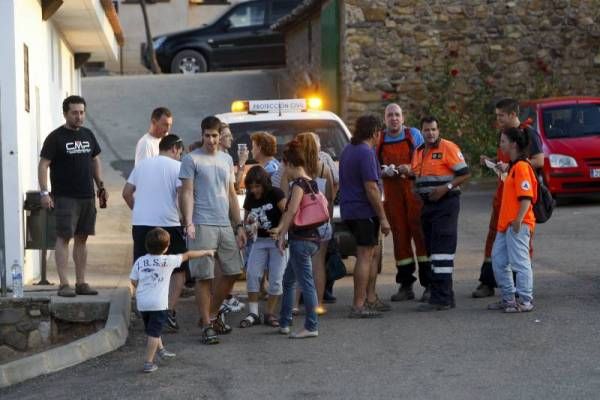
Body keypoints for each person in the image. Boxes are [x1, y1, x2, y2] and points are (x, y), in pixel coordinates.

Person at [180, 116, 247, 345]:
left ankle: (212, 314)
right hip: (201, 222)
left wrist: (238, 225)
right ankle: (207, 326)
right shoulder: (191, 159)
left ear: (221, 136)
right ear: (202, 135)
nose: (211, 140)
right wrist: (188, 222)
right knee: (204, 276)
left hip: (224, 223)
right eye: (207, 135)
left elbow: (231, 193)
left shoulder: (226, 159)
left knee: (233, 270)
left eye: (215, 136)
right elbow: (186, 192)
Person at [473, 98, 544, 298]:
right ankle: (488, 282)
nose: (498, 120)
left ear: (513, 115)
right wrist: (492, 162)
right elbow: (506, 161)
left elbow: (539, 160)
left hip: (519, 197)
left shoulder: (528, 134)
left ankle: (522, 291)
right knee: (493, 240)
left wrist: (515, 166)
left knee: (520, 246)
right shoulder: (504, 135)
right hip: (502, 196)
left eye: (501, 116)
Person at [38, 95, 107, 297]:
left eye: (82, 112)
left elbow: (95, 160)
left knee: (82, 239)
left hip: (87, 196)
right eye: (74, 113)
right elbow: (43, 165)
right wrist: (44, 192)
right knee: (64, 237)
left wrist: (100, 185)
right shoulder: (55, 137)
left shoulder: (88, 134)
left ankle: (81, 282)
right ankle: (64, 284)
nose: (79, 116)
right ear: (65, 114)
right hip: (65, 197)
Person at [403, 116, 470, 311]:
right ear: (421, 132)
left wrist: (445, 187)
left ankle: (442, 299)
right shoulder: (419, 151)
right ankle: (443, 294)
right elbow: (416, 173)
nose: (430, 133)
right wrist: (410, 178)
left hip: (446, 204)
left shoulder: (448, 147)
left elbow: (464, 173)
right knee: (433, 251)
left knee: (442, 251)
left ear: (438, 130)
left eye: (433, 129)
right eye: (426, 130)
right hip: (428, 206)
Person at [122, 134, 186, 331]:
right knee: (179, 269)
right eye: (180, 153)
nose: (179, 156)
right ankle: (168, 311)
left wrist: (139, 209)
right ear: (175, 148)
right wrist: (185, 219)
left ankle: (147, 312)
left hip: (141, 224)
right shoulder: (177, 167)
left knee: (143, 266)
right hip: (169, 223)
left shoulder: (142, 166)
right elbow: (183, 195)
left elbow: (126, 193)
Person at [130, 227, 214, 373]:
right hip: (159, 304)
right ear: (167, 247)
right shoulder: (168, 260)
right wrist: (207, 252)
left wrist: (143, 290)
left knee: (152, 329)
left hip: (142, 303)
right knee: (154, 333)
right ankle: (148, 362)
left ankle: (161, 350)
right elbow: (188, 255)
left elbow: (133, 280)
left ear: (146, 245)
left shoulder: (140, 261)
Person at [270, 140, 324, 338]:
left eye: (285, 167)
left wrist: (281, 233)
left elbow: (291, 210)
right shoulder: (312, 182)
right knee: (288, 280)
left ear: (291, 164)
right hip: (311, 238)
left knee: (305, 283)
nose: (285, 171)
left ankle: (311, 326)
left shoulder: (299, 184)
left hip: (301, 240)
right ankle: (284, 322)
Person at [339, 115, 391, 318]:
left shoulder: (348, 150)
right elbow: (371, 187)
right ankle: (359, 304)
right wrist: (384, 218)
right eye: (380, 133)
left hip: (350, 210)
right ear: (375, 132)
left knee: (373, 253)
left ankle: (370, 297)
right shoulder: (366, 152)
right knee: (365, 256)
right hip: (363, 211)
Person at [378, 103, 431, 302]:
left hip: (414, 193)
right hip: (392, 196)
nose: (394, 118)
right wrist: (384, 171)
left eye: (397, 115)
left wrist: (409, 167)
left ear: (403, 117)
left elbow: (424, 161)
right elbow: (374, 166)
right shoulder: (380, 139)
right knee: (400, 239)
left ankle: (429, 284)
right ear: (385, 119)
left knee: (421, 237)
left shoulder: (414, 135)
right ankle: (405, 285)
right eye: (390, 115)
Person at [488, 127, 537, 312]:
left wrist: (518, 220)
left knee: (520, 262)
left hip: (517, 223)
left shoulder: (522, 167)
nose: (501, 145)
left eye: (503, 141)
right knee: (498, 260)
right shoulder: (514, 167)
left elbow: (526, 197)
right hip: (506, 224)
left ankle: (525, 300)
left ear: (513, 144)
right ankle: (508, 299)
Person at [288, 132, 335, 316]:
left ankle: (294, 305)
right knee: (318, 264)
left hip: (301, 222)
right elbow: (330, 196)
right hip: (321, 222)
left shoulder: (297, 169)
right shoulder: (323, 167)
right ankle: (318, 303)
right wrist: (327, 219)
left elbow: (289, 197)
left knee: (298, 263)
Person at [239, 166, 286, 328]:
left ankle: (270, 313)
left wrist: (280, 229)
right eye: (251, 187)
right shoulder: (250, 197)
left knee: (276, 278)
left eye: (257, 186)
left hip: (277, 241)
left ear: (264, 184)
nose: (254, 191)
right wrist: (246, 229)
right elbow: (246, 220)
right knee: (252, 274)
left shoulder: (276, 193)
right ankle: (253, 313)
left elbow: (288, 213)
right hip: (259, 241)